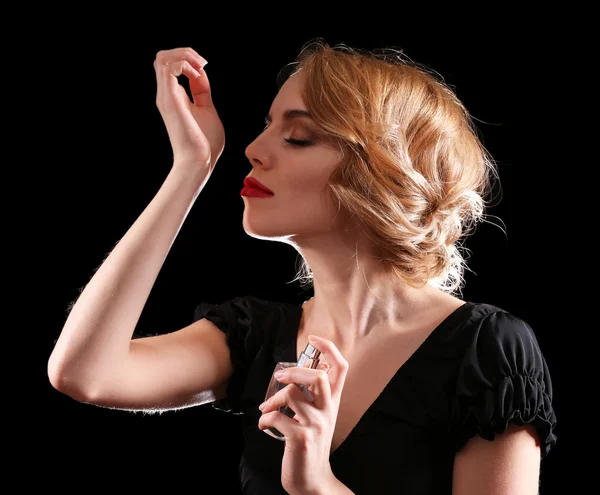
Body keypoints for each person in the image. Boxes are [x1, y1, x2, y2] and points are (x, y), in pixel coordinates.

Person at [48, 39, 558, 494]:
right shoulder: (252, 336)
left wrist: (316, 484)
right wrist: (192, 168)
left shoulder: (488, 354)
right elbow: (85, 373)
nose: (251, 150)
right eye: (268, 127)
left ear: (381, 172)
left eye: (297, 137)